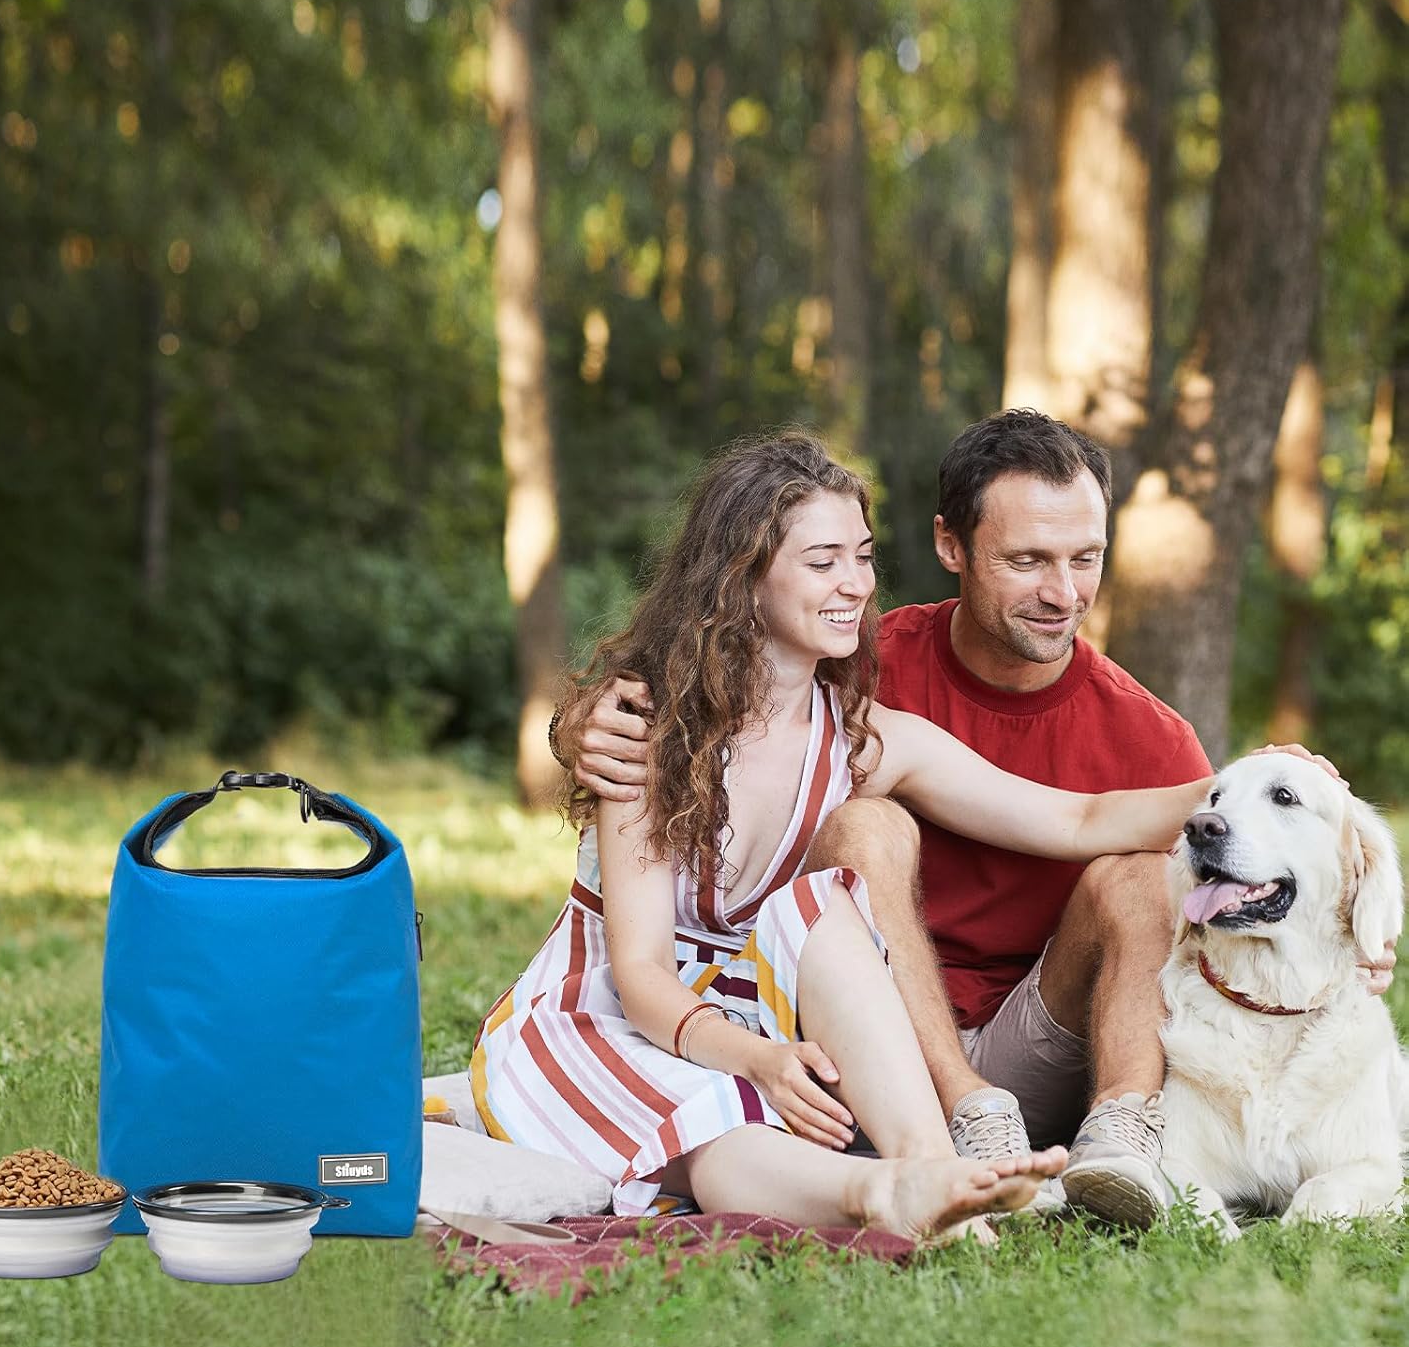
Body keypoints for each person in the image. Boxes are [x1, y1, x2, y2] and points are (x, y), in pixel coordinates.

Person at [563, 411, 1391, 1229]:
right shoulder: (856, 662)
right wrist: (584, 723)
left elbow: (1106, 829)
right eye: (1028, 559)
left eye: (1085, 559)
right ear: (951, 546)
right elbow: (715, 686)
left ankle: (1123, 1143)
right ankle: (948, 1131)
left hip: (1039, 1056)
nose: (1063, 593)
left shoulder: (1149, 737)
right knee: (867, 829)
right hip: (845, 1035)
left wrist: (1299, 821)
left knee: (1141, 871)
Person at [478, 430, 1219, 1243]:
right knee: (721, 1119)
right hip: (632, 1011)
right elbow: (642, 970)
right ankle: (883, 1193)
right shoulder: (654, 730)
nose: (854, 586)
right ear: (742, 574)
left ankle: (936, 1169)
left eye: (861, 558)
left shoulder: (862, 733)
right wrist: (575, 724)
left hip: (775, 1009)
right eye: (823, 561)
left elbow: (1077, 818)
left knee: (823, 903)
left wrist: (1275, 788)